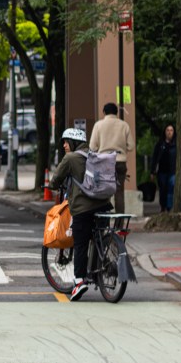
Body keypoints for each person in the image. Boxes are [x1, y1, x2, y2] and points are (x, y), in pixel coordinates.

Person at [50, 127, 112, 301]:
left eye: (66, 142)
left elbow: (56, 180)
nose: (64, 145)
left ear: (73, 143)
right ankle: (103, 264)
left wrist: (51, 186)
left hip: (82, 209)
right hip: (104, 205)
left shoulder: (70, 158)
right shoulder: (94, 155)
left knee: (80, 243)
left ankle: (79, 282)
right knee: (98, 236)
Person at [89, 102, 134, 213]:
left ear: (104, 112)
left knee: (104, 193)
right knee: (119, 193)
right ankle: (119, 226)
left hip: (104, 162)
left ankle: (105, 223)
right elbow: (131, 146)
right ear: (116, 113)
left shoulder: (98, 125)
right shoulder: (124, 125)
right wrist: (122, 150)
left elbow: (92, 146)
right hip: (120, 162)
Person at [151, 124, 177, 212]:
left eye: (171, 130)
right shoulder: (160, 144)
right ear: (165, 132)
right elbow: (154, 158)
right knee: (163, 189)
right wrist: (152, 171)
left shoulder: (176, 144)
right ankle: (163, 206)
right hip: (162, 172)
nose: (169, 132)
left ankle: (169, 207)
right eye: (168, 130)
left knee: (171, 188)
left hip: (173, 171)